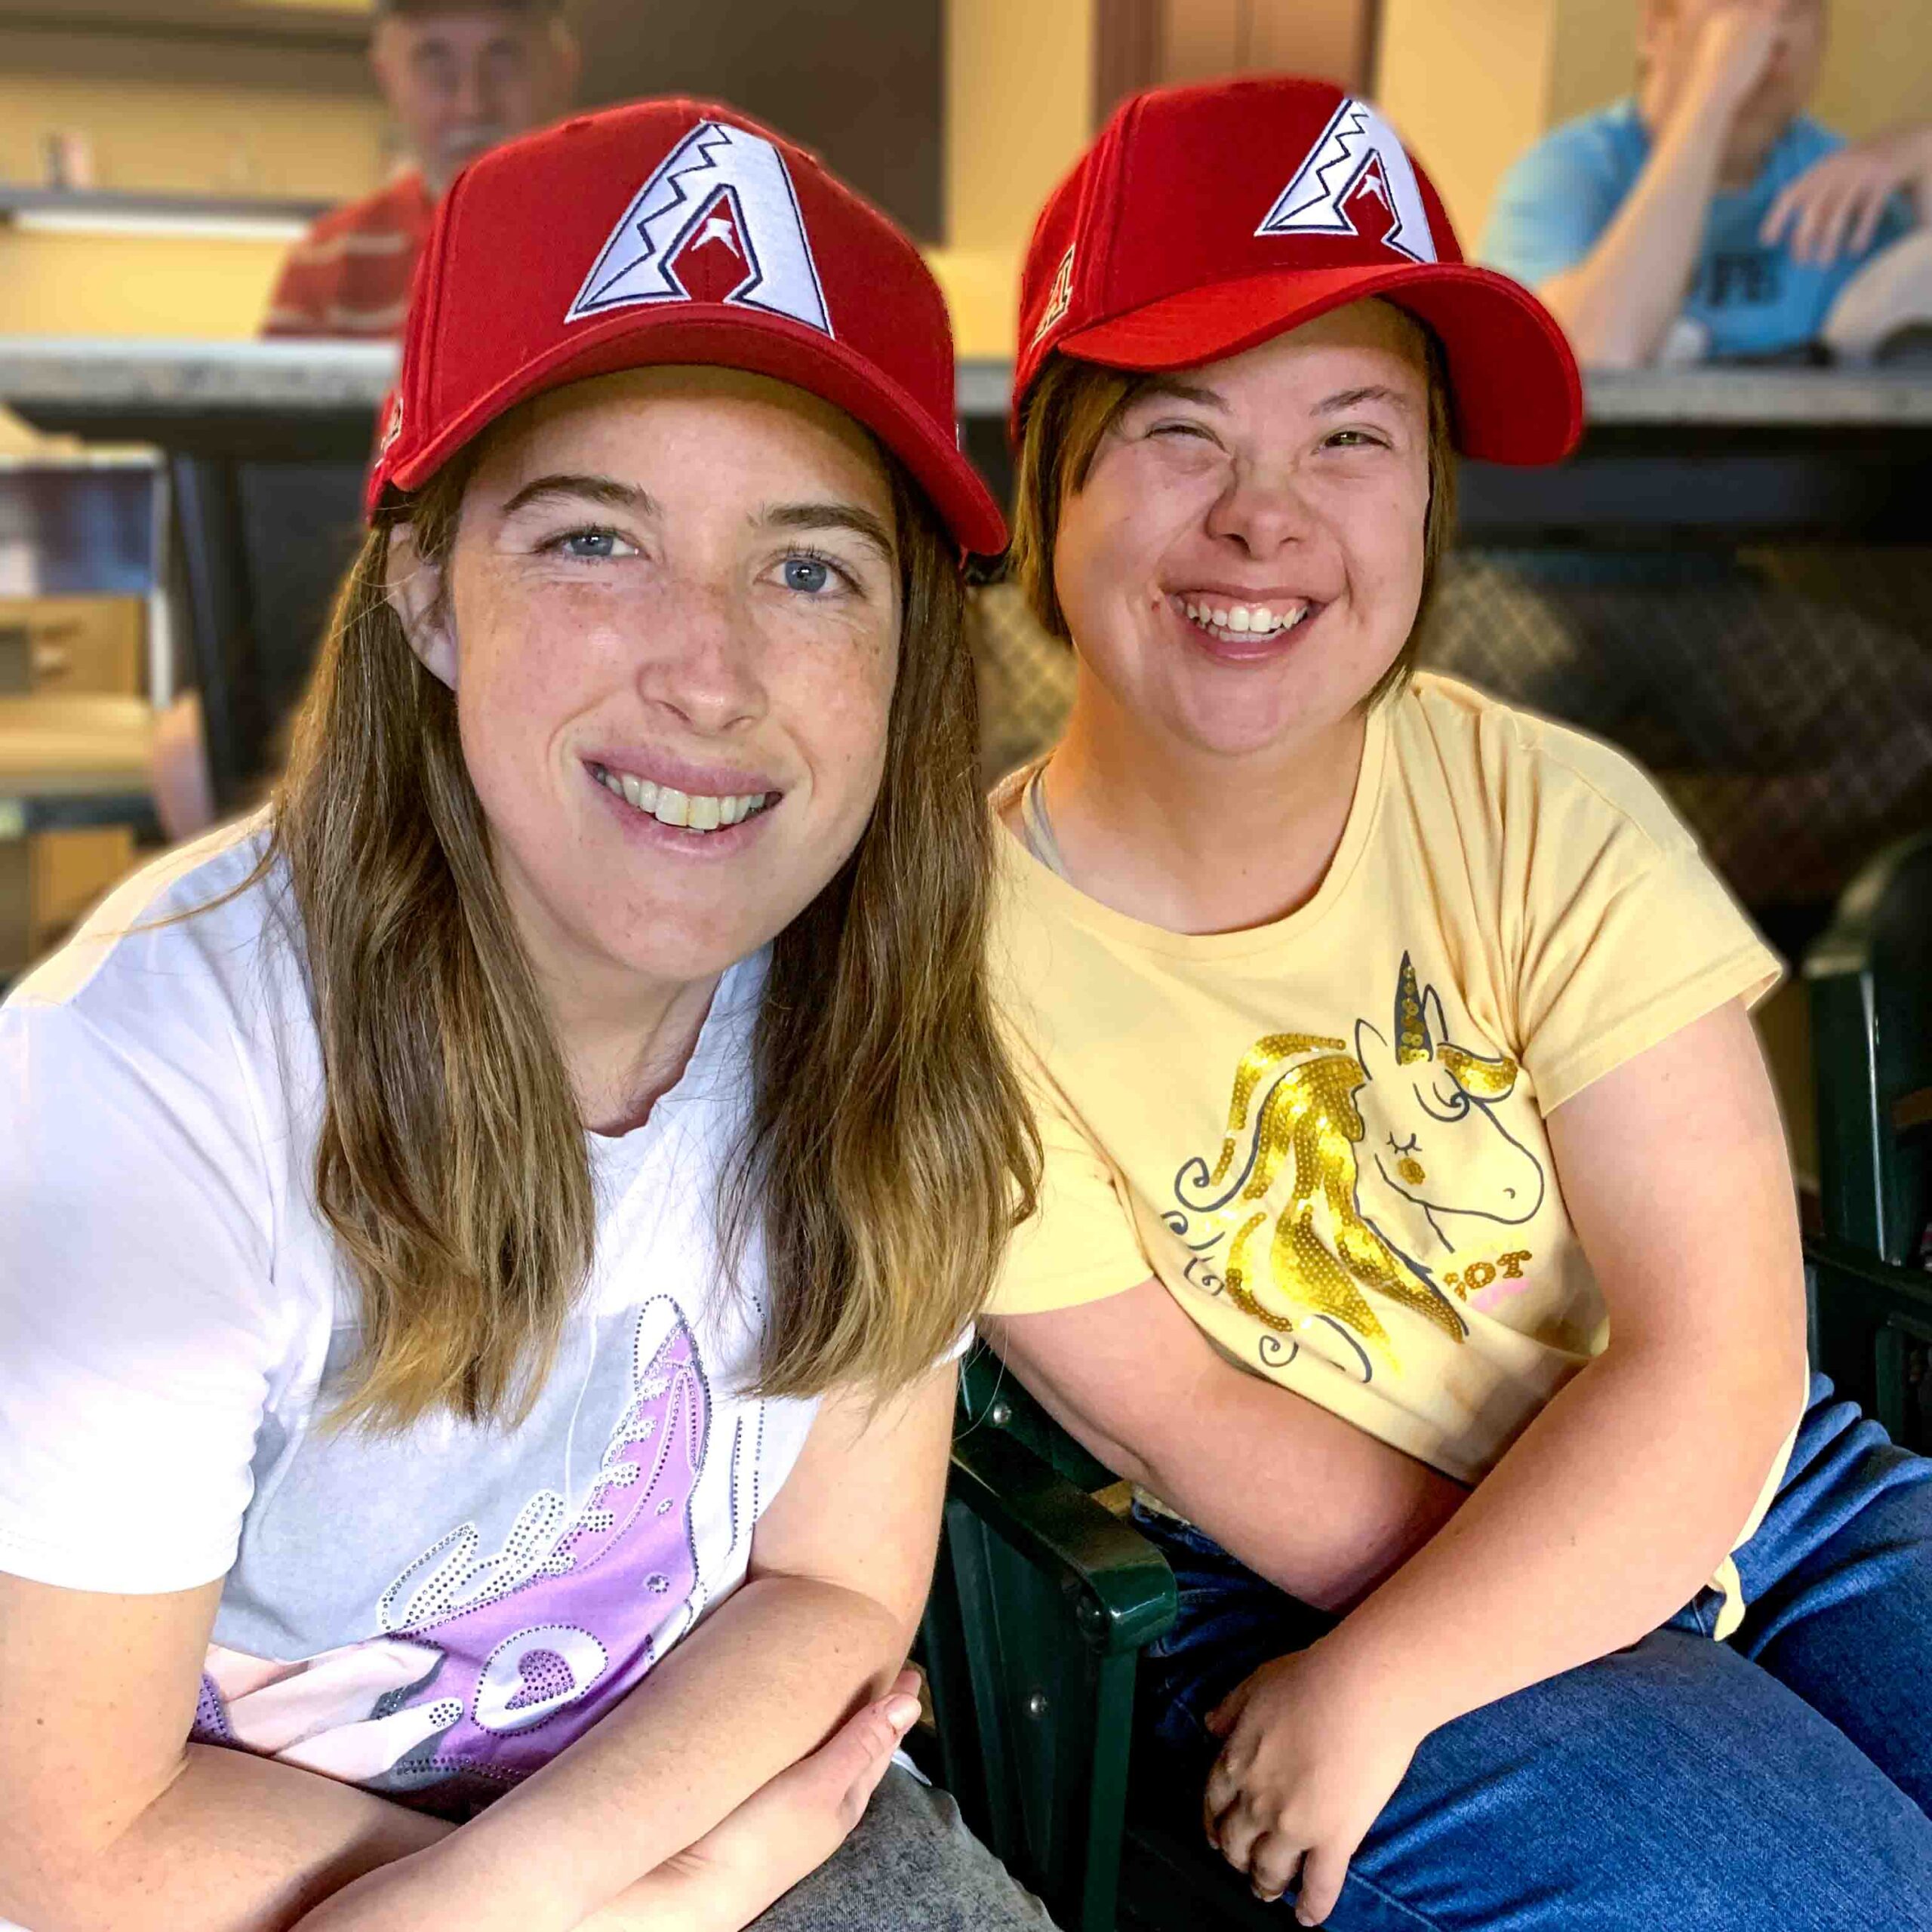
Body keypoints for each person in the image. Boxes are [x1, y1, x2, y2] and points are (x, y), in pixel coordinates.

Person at [0, 99, 1054, 1932]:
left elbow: (827, 1585)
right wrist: (657, 1902)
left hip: (683, 1793)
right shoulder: (144, 1077)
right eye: (591, 543)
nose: (707, 669)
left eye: (809, 568)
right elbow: (69, 1842)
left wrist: (530, 1895)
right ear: (422, 591)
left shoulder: (876, 994)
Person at [980, 75, 1932, 1929]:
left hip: (1755, 1478)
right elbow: (1181, 1415)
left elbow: (1719, 1349)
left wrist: (1607, 1583)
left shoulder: (1534, 805)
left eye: (1349, 435)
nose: (1264, 519)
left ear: (1427, 497)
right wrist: (1435, 1654)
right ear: (1048, 487)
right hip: (1303, 1560)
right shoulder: (947, 959)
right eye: (1180, 433)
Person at [1481, 0, 1931, 366]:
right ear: (1654, 31)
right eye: (1736, 6)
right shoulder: (1567, 174)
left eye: (1797, 8)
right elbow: (1591, 356)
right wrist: (1712, 96)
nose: (1770, 27)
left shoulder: (1851, 183)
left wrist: (1922, 153)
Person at [263, 0, 579, 339]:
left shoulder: (631, 242)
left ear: (562, 69)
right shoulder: (325, 263)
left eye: (504, 61)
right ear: (387, 76)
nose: (471, 105)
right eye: (434, 64)